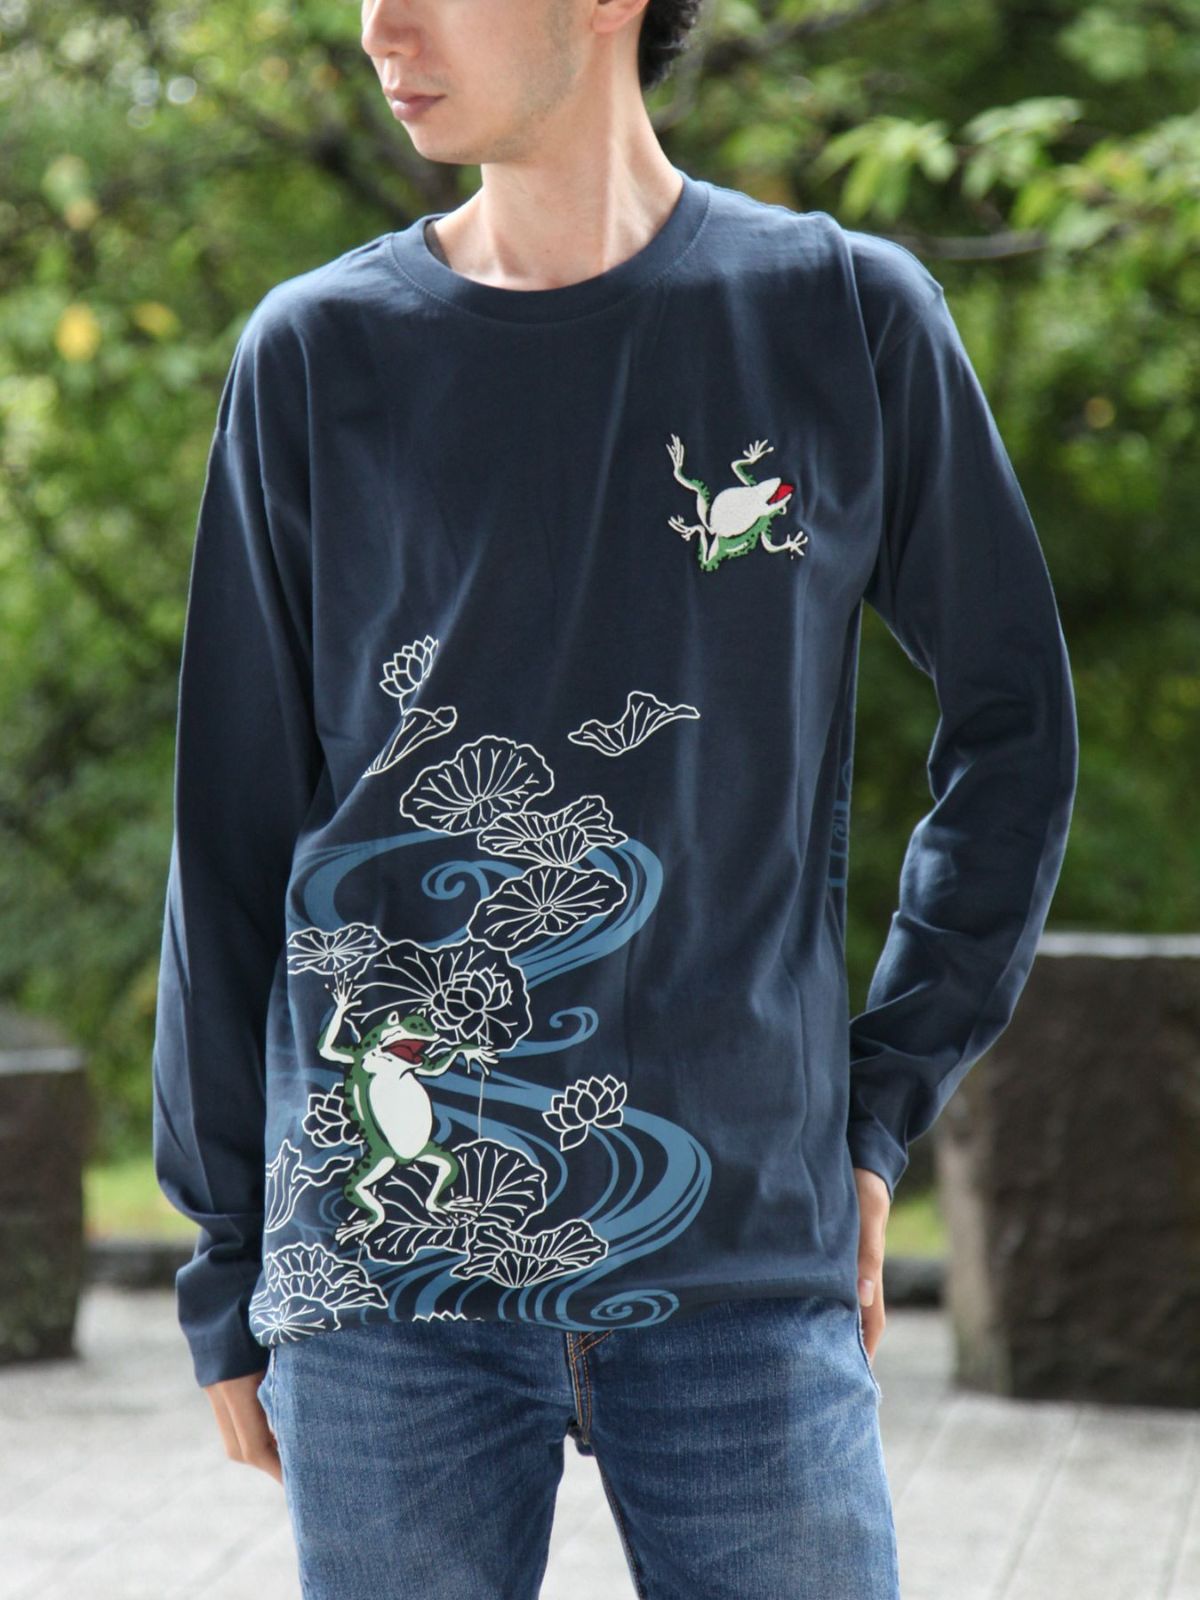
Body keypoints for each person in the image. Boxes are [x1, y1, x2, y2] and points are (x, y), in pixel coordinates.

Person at [150, 0, 1078, 1594]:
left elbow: (1016, 729)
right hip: (385, 1275)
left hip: (747, 1264)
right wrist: (228, 1254)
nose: (380, 26)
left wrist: (877, 1101)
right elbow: (229, 830)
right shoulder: (317, 353)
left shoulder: (840, 317)